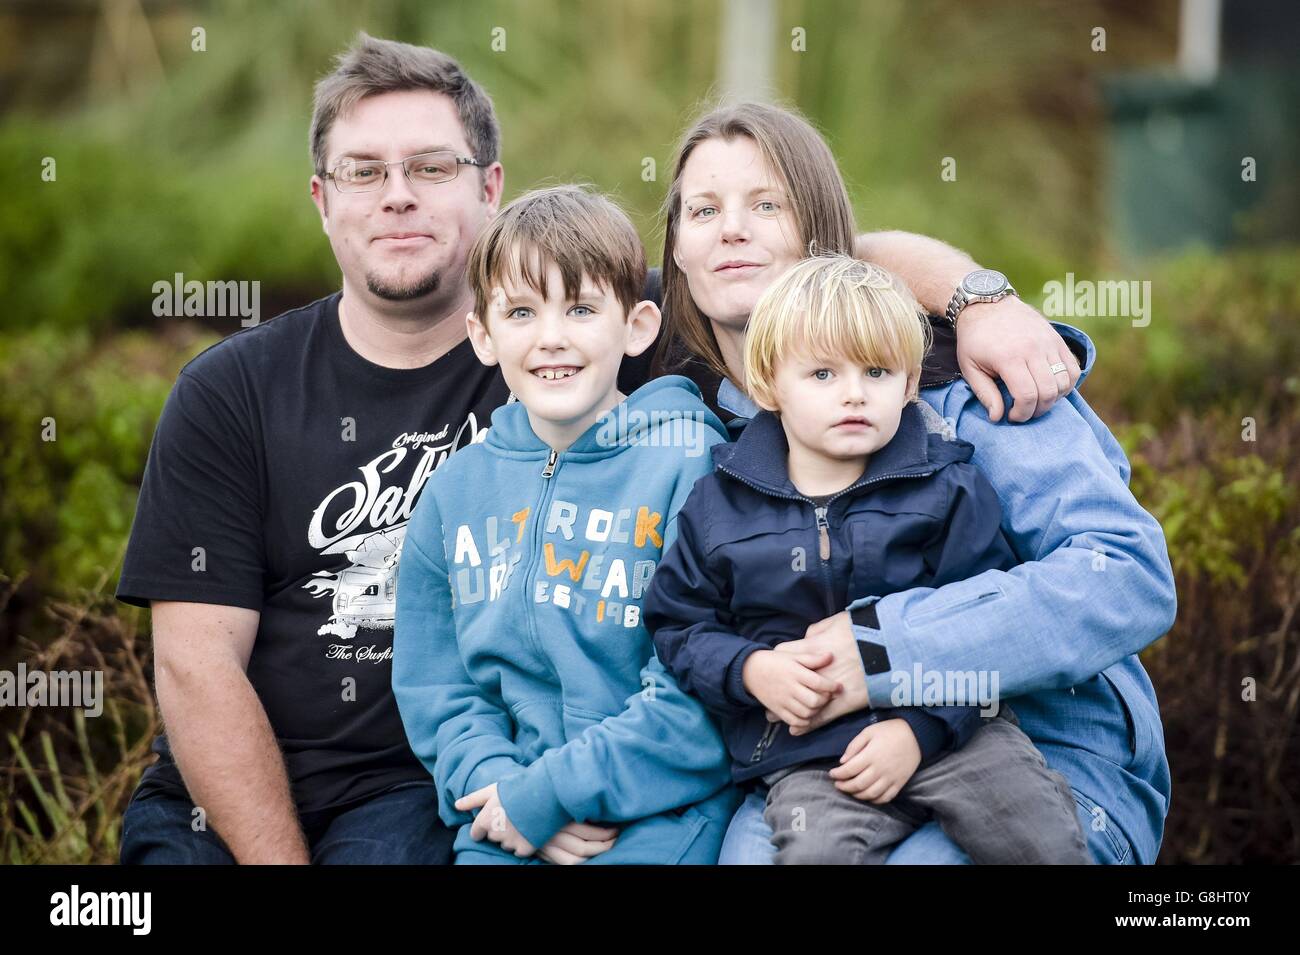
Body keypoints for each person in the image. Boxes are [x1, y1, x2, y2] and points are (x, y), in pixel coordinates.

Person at [114, 33, 1084, 865]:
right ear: (321, 198)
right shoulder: (233, 390)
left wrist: (977, 296)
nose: (397, 197)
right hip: (397, 782)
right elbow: (200, 668)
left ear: (490, 188)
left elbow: (816, 257)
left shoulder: (619, 367)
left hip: (430, 794)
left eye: (432, 168)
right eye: (364, 172)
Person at [653, 101, 1176, 864]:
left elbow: (1126, 574)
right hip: (816, 767)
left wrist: (886, 647)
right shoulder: (687, 404)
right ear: (675, 251)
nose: (732, 228)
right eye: (704, 210)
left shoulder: (959, 383)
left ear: (821, 237)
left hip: (1035, 749)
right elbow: (528, 289)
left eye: (768, 204)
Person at [645, 254, 1092, 863]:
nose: (853, 394)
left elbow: (984, 625)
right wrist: (753, 671)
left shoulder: (946, 487)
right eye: (823, 374)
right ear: (770, 384)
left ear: (909, 385)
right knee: (814, 853)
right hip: (814, 757)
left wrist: (920, 730)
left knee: (1044, 837)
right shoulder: (720, 504)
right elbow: (679, 624)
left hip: (956, 739)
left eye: (877, 372)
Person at [392, 184, 740, 864]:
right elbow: (439, 687)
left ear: (636, 326)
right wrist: (500, 785)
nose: (552, 337)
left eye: (581, 308)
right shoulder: (455, 491)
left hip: (658, 815)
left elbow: (698, 693)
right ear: (483, 335)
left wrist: (553, 792)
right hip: (505, 816)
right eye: (521, 311)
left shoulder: (687, 463)